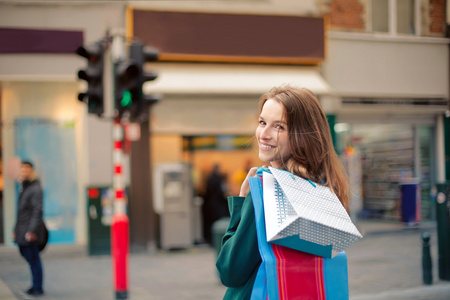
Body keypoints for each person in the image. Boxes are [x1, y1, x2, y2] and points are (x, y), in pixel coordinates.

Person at [216, 86, 350, 299]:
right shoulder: (323, 187)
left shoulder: (266, 189)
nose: (264, 135)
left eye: (279, 127)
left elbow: (230, 271)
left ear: (302, 135)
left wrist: (242, 202)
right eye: (262, 123)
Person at [13, 161, 45, 297]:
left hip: (30, 231)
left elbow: (37, 211)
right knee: (28, 257)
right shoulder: (23, 187)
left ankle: (38, 287)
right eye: (22, 170)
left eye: (27, 170)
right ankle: (35, 285)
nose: (24, 172)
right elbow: (21, 213)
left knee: (33, 259)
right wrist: (15, 229)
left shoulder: (35, 188)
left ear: (32, 171)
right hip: (22, 229)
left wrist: (31, 231)